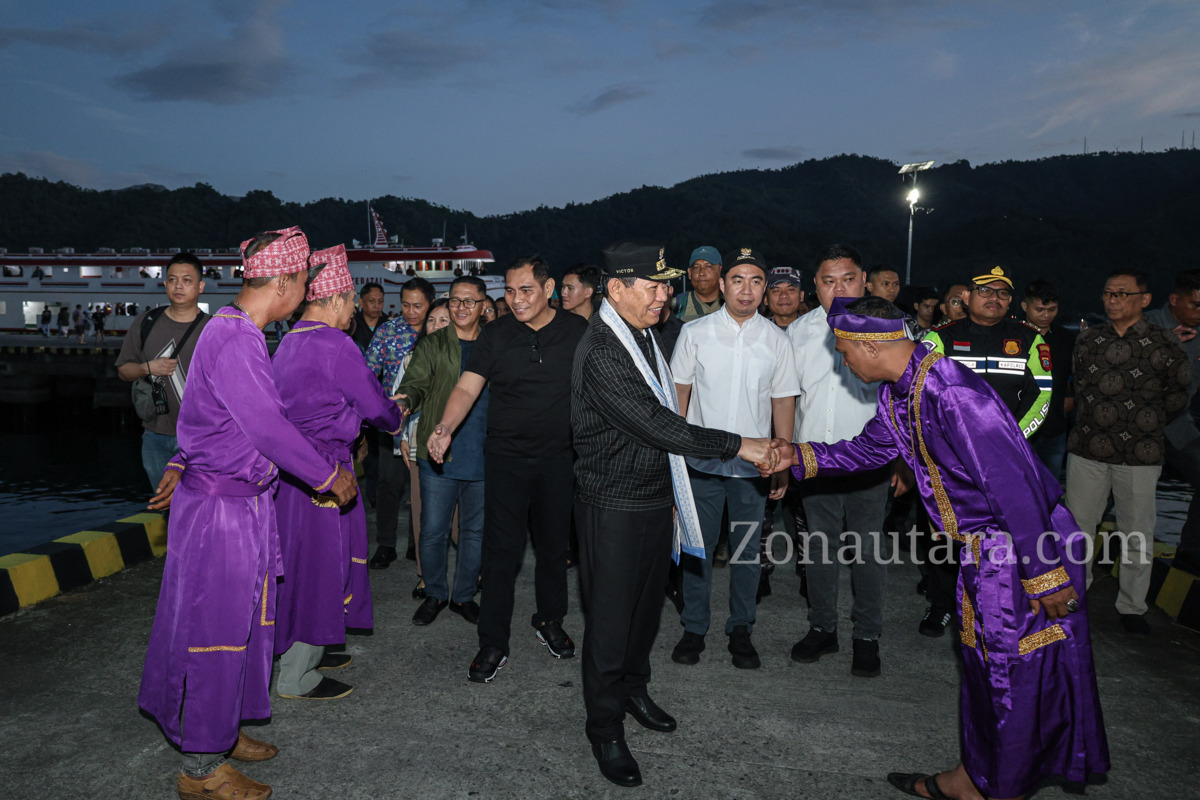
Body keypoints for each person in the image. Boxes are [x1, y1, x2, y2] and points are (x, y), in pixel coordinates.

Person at [766, 295, 1109, 800]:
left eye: (844, 351)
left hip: (1017, 550)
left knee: (1015, 680)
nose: (843, 361)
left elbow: (1015, 486)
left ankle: (1001, 787)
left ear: (870, 344)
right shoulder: (901, 391)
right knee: (982, 668)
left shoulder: (952, 394)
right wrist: (794, 454)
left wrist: (1045, 571)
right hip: (982, 552)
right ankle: (973, 776)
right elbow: (868, 450)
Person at [137, 227, 358, 800]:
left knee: (247, 628)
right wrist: (330, 476)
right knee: (215, 633)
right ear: (283, 282)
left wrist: (182, 458)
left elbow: (206, 413)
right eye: (304, 282)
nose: (306, 291)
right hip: (222, 515)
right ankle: (202, 769)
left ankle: (223, 730)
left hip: (237, 504)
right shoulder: (236, 339)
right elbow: (266, 427)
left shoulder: (234, 332)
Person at [571, 239, 777, 787]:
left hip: (653, 496)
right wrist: (744, 445)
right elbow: (661, 425)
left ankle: (633, 687)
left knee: (643, 613)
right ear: (616, 289)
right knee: (611, 622)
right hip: (612, 504)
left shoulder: (642, 334)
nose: (666, 295)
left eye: (667, 285)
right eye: (654, 286)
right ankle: (604, 725)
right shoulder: (602, 350)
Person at [427, 255, 588, 683]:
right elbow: (467, 386)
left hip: (559, 458)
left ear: (549, 288)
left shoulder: (578, 333)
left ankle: (549, 620)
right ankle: (493, 641)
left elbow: (598, 392)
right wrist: (444, 427)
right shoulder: (496, 335)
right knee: (501, 553)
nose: (516, 300)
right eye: (510, 292)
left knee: (554, 548)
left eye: (526, 291)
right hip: (505, 460)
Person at [271, 245, 405, 702]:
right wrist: (396, 415)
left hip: (294, 473)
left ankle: (308, 645)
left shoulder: (289, 341)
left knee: (298, 563)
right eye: (350, 301)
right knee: (322, 568)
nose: (354, 310)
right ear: (334, 300)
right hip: (327, 473)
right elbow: (374, 405)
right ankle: (296, 675)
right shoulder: (336, 344)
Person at [669, 248, 799, 669]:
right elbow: (678, 401)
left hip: (753, 467)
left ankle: (741, 628)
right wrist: (672, 462)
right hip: (701, 463)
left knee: (746, 552)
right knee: (698, 550)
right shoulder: (695, 333)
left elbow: (783, 404)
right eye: (738, 279)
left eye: (756, 281)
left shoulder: (777, 340)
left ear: (764, 289)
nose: (747, 289)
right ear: (722, 284)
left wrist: (783, 461)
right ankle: (694, 628)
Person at [919, 266, 1053, 637]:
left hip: (1009, 461)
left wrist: (1012, 443)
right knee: (944, 534)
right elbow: (921, 396)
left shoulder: (1031, 340)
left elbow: (1041, 396)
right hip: (952, 461)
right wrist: (945, 447)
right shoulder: (940, 337)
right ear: (967, 298)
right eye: (985, 291)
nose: (994, 298)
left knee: (1001, 537)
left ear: (1011, 301)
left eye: (1002, 293)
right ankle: (941, 604)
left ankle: (992, 609)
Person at [1064, 268, 1189, 635]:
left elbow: (1178, 394)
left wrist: (1145, 421)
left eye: (1121, 294)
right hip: (1087, 447)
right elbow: (1081, 383)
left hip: (1140, 452)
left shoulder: (1165, 343)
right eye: (1108, 294)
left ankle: (1132, 606)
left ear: (1144, 300)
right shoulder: (1089, 339)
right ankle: (1075, 595)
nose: (1113, 300)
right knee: (1078, 528)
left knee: (1137, 531)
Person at [788, 244, 891, 676]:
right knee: (818, 549)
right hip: (814, 460)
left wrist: (903, 462)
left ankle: (867, 636)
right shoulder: (798, 332)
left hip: (870, 461)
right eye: (828, 281)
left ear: (863, 280)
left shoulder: (888, 327)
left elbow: (898, 399)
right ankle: (822, 628)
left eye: (847, 278)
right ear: (816, 286)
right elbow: (789, 398)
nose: (838, 288)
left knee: (867, 550)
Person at [400, 277, 490, 626]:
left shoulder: (495, 345)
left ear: (483, 305)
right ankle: (436, 592)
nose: (462, 307)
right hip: (437, 453)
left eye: (470, 301)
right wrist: (405, 401)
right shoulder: (433, 344)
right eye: (455, 301)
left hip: (483, 452)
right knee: (433, 529)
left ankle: (464, 595)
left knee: (474, 532)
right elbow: (417, 382)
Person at [116, 252, 210, 490]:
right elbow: (124, 371)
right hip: (155, 436)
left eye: (187, 280)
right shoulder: (146, 322)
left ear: (201, 286)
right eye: (172, 279)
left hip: (199, 437)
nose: (178, 285)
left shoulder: (214, 329)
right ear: (165, 284)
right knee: (165, 503)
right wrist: (147, 368)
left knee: (198, 504)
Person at [365, 277, 434, 568]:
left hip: (429, 421)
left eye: (418, 305)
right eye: (405, 304)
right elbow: (369, 374)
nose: (411, 311)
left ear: (430, 303)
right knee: (388, 484)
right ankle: (386, 544)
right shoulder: (388, 331)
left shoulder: (440, 332)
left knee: (424, 487)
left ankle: (417, 542)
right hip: (392, 422)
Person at [1146, 269, 1200, 574]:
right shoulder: (1146, 323)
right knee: (1113, 488)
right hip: (1135, 427)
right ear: (1175, 300)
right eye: (1195, 305)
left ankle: (1191, 554)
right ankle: (1084, 540)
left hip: (1179, 425)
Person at [1020, 279, 1075, 478]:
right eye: (1040, 309)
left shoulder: (1067, 338)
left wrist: (1070, 397)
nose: (1046, 315)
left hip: (1054, 427)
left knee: (1050, 487)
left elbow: (1074, 375)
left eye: (1051, 310)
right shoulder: (1012, 336)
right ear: (1025, 306)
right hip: (1019, 426)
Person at [675, 246, 723, 322]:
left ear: (720, 270)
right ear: (690, 273)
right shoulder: (676, 305)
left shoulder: (733, 304)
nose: (701, 273)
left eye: (708, 266)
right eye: (696, 267)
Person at [350, 282, 385, 354]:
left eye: (380, 301)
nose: (377, 306)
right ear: (361, 302)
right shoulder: (351, 325)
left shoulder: (389, 324)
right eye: (371, 301)